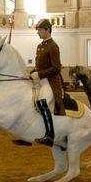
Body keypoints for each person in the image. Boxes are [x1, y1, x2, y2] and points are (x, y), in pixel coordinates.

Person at [31, 18, 65, 146]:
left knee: (42, 103)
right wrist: (31, 73)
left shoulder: (53, 46)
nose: (38, 32)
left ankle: (50, 135)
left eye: (40, 30)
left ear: (47, 30)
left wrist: (38, 74)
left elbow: (56, 68)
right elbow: (40, 66)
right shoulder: (40, 46)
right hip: (41, 80)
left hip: (51, 81)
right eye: (38, 30)